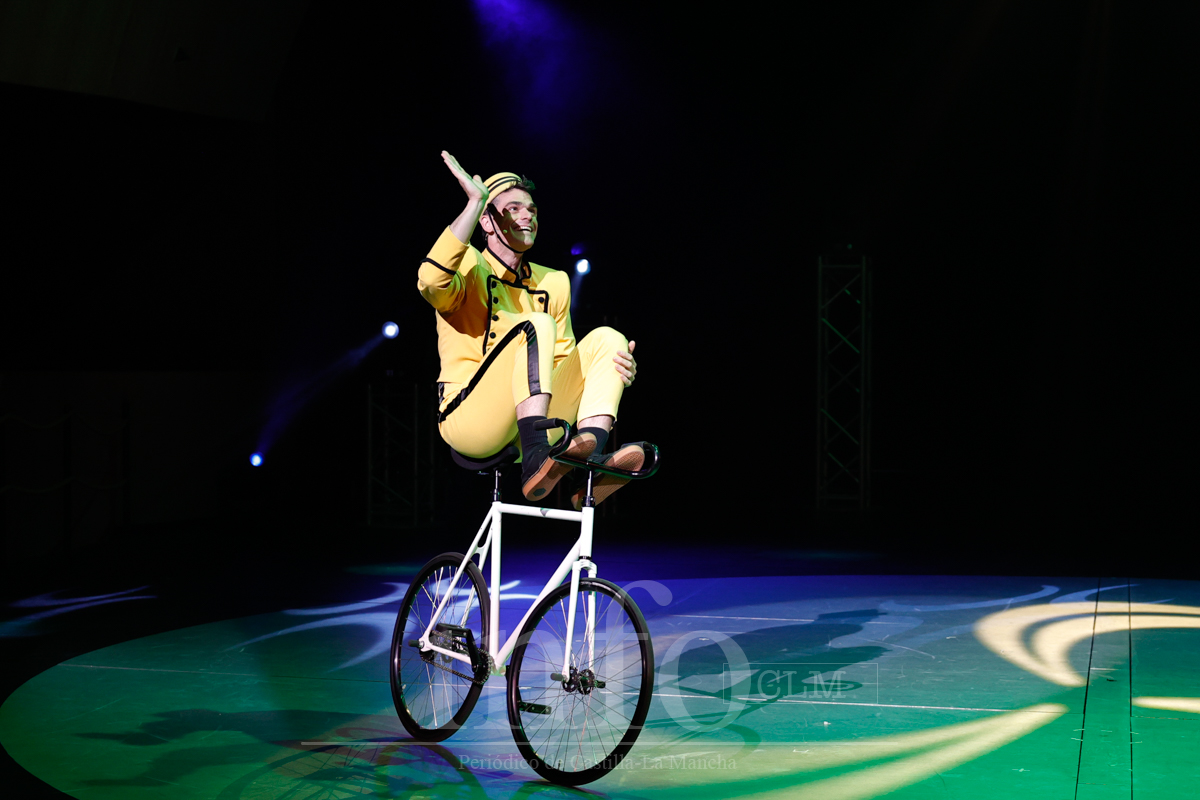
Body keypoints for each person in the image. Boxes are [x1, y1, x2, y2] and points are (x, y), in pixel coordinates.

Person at [417, 151, 644, 506]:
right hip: (469, 420)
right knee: (535, 324)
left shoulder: (553, 281)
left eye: (532, 210)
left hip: (534, 420)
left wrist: (608, 372)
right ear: (487, 222)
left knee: (609, 340)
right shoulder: (469, 264)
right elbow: (430, 281)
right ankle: (537, 457)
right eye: (513, 209)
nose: (527, 216)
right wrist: (474, 203)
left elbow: (563, 363)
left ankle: (586, 467)